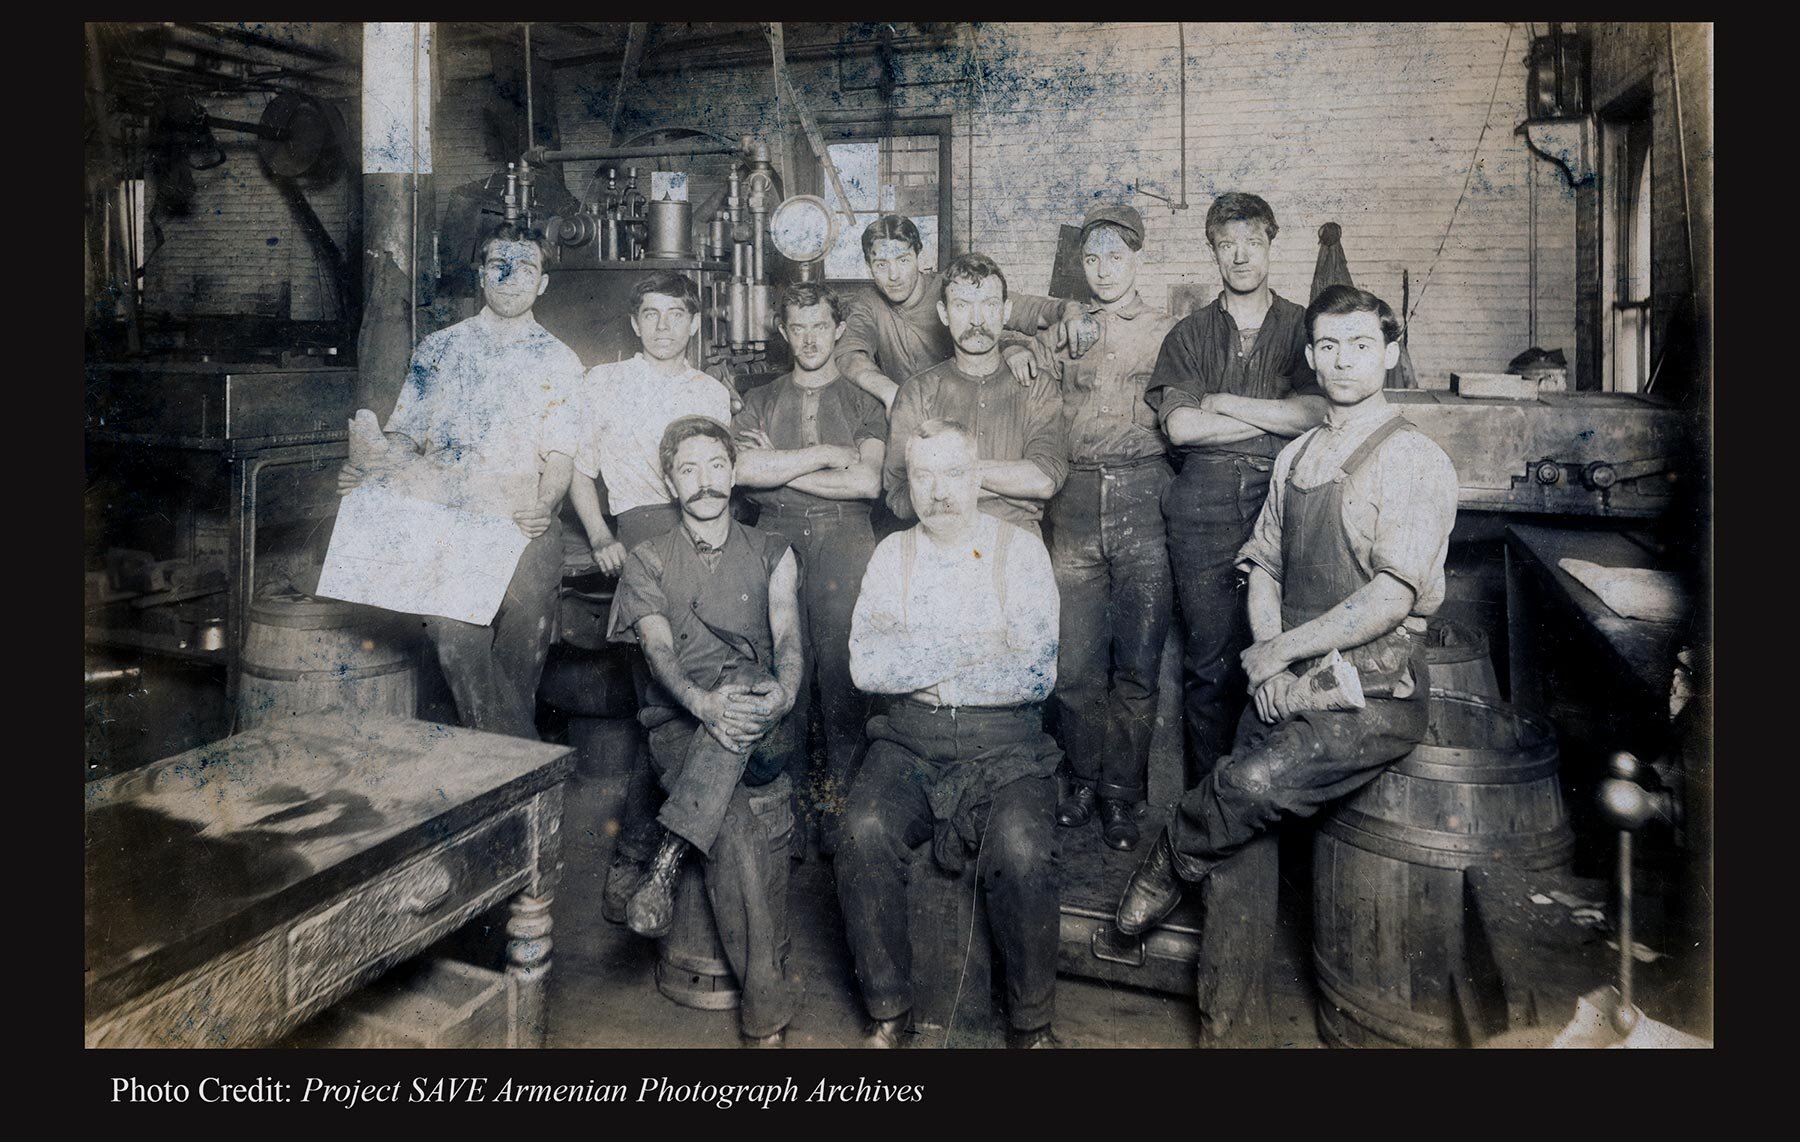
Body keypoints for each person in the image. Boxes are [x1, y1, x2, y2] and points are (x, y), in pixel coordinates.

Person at [1114, 286, 1459, 1047]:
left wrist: (1278, 652)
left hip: (1370, 690)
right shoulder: (1297, 455)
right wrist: (1268, 671)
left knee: (1248, 783)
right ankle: (1228, 1033)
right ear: (1309, 357)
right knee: (1239, 852)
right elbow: (1263, 563)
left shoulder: (1414, 458)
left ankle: (1170, 853)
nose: (1343, 361)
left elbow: (1390, 600)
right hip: (1290, 680)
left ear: (1390, 353)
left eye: (1361, 345)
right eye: (1329, 347)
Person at [839, 419, 1064, 1050]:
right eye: (923, 476)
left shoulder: (1019, 550)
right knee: (862, 832)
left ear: (978, 476)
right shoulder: (892, 555)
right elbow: (867, 668)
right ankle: (887, 1007)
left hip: (1007, 742)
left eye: (954, 474)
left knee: (1022, 849)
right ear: (907, 483)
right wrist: (973, 649)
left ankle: (1032, 1024)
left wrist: (926, 658)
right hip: (909, 738)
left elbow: (1034, 672)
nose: (939, 491)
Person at [337, 222, 583, 739]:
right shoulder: (438, 351)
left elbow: (561, 455)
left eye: (527, 269)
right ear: (481, 275)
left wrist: (545, 503)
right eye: (500, 266)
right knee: (455, 641)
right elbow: (404, 437)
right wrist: (371, 472)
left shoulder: (559, 360)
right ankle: (527, 767)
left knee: (518, 668)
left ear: (542, 283)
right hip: (450, 520)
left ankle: (503, 780)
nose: (512, 279)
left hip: (524, 525)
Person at [608, 416, 806, 1047]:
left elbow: (790, 638)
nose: (704, 482)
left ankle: (663, 863)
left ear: (733, 472)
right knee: (739, 829)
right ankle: (765, 1015)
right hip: (680, 725)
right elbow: (659, 650)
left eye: (715, 466)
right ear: (670, 482)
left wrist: (785, 691)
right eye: (687, 469)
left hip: (763, 723)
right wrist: (702, 703)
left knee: (748, 693)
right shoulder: (647, 559)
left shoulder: (773, 549)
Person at [563, 271, 740, 923]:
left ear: (694, 324)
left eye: (676, 314)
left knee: (695, 701)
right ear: (634, 324)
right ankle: (640, 858)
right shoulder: (603, 384)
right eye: (651, 314)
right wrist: (602, 534)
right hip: (640, 533)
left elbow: (722, 480)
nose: (664, 325)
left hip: (702, 537)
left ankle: (656, 859)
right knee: (661, 703)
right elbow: (581, 475)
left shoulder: (712, 393)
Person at [1148, 191, 1329, 789]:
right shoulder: (1190, 333)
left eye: (1253, 242)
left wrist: (1223, 403)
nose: (1241, 256)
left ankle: (1267, 802)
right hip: (1202, 507)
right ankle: (1209, 806)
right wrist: (1272, 413)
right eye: (1228, 245)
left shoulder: (1305, 326)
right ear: (1214, 252)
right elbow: (1180, 426)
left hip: (1286, 501)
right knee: (1209, 666)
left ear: (1271, 243)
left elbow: (1315, 414)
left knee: (1286, 656)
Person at [1031, 204, 1179, 851]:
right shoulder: (1066, 327)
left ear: (1137, 258)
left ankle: (1123, 795)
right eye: (1091, 258)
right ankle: (1082, 780)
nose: (1102, 270)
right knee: (1075, 666)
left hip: (1146, 497)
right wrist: (1024, 348)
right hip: (1076, 497)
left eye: (1115, 256)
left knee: (1138, 669)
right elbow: (1020, 357)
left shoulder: (1170, 331)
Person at [733, 282, 888, 856]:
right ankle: (789, 827)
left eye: (819, 326)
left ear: (838, 329)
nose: (808, 339)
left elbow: (867, 482)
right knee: (783, 679)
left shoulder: (863, 401)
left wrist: (781, 466)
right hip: (773, 542)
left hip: (847, 541)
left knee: (844, 686)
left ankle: (843, 826)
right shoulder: (760, 397)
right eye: (797, 328)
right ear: (782, 332)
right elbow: (742, 472)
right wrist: (823, 455)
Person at [881, 253, 1069, 539]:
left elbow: (1044, 479)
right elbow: (899, 496)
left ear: (1006, 311)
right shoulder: (917, 392)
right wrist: (1006, 488)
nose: (977, 319)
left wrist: (945, 478)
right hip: (940, 546)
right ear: (944, 314)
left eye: (989, 304)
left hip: (1017, 544)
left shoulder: (1037, 385)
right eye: (962, 305)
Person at [835, 214, 1080, 409]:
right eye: (881, 265)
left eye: (903, 260)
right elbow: (849, 356)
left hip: (969, 406)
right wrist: (890, 393)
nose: (893, 275)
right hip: (909, 412)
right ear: (869, 267)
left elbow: (1036, 310)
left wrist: (1070, 310)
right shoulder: (867, 303)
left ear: (919, 255)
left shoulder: (952, 287)